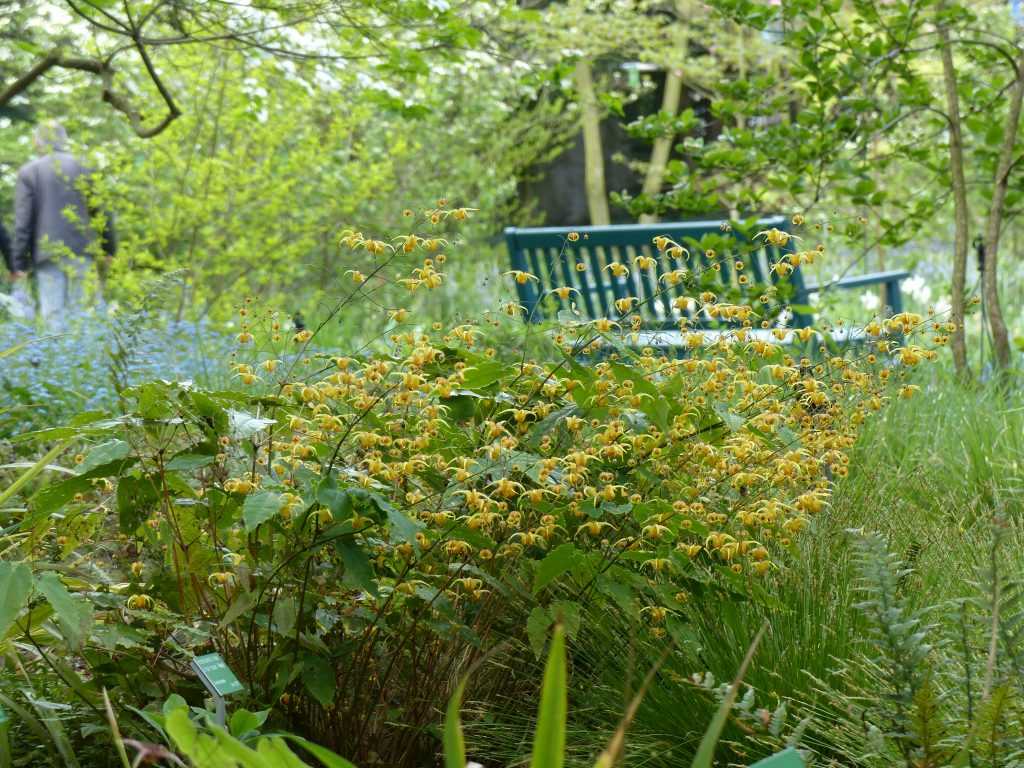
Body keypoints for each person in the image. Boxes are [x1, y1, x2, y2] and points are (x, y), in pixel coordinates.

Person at [10, 121, 115, 330]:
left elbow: (23, 222)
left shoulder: (29, 172)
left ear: (38, 142)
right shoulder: (85, 167)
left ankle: (59, 360)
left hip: (47, 253)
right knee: (80, 314)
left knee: (53, 317)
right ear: (64, 139)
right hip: (82, 252)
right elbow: (102, 213)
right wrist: (109, 249)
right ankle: (80, 360)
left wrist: (19, 264)